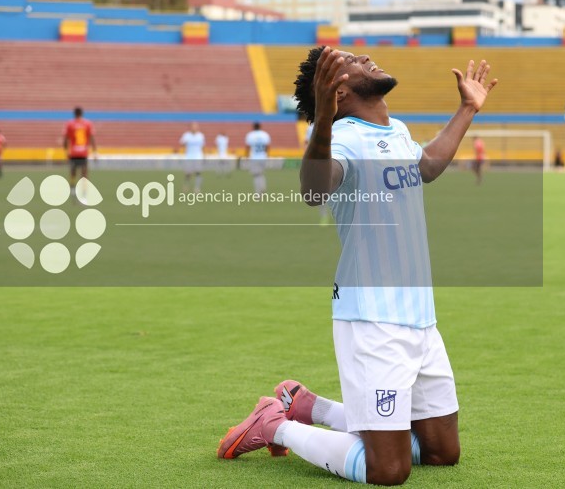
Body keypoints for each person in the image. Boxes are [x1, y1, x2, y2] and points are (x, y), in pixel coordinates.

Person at [217, 46, 498, 486]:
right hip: (373, 320)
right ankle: (275, 424)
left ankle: (312, 407)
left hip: (421, 318)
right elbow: (314, 190)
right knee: (388, 469)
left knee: (443, 453)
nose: (365, 56)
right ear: (339, 91)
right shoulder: (343, 135)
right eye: (351, 60)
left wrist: (467, 108)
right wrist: (324, 121)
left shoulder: (395, 129)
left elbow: (426, 166)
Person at [62, 107, 97, 200]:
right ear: (82, 113)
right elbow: (92, 138)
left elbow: (66, 139)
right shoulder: (87, 123)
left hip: (73, 152)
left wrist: (65, 150)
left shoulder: (70, 124)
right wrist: (94, 152)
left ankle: (73, 189)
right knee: (84, 173)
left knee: (73, 172)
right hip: (83, 152)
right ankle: (84, 193)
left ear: (74, 113)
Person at [244, 121, 270, 194]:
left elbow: (247, 147)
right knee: (261, 173)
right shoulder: (265, 134)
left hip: (254, 157)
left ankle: (258, 193)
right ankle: (263, 187)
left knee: (256, 175)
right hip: (263, 156)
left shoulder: (250, 135)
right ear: (260, 126)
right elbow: (267, 146)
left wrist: (246, 156)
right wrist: (266, 155)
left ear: (253, 127)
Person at [179, 122, 206, 192]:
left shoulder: (201, 136)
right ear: (190, 127)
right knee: (188, 173)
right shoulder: (186, 135)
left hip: (198, 156)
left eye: (195, 126)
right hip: (189, 156)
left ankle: (197, 187)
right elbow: (181, 143)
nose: (194, 128)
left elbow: (203, 146)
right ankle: (186, 185)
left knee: (198, 172)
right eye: (193, 126)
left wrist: (204, 156)